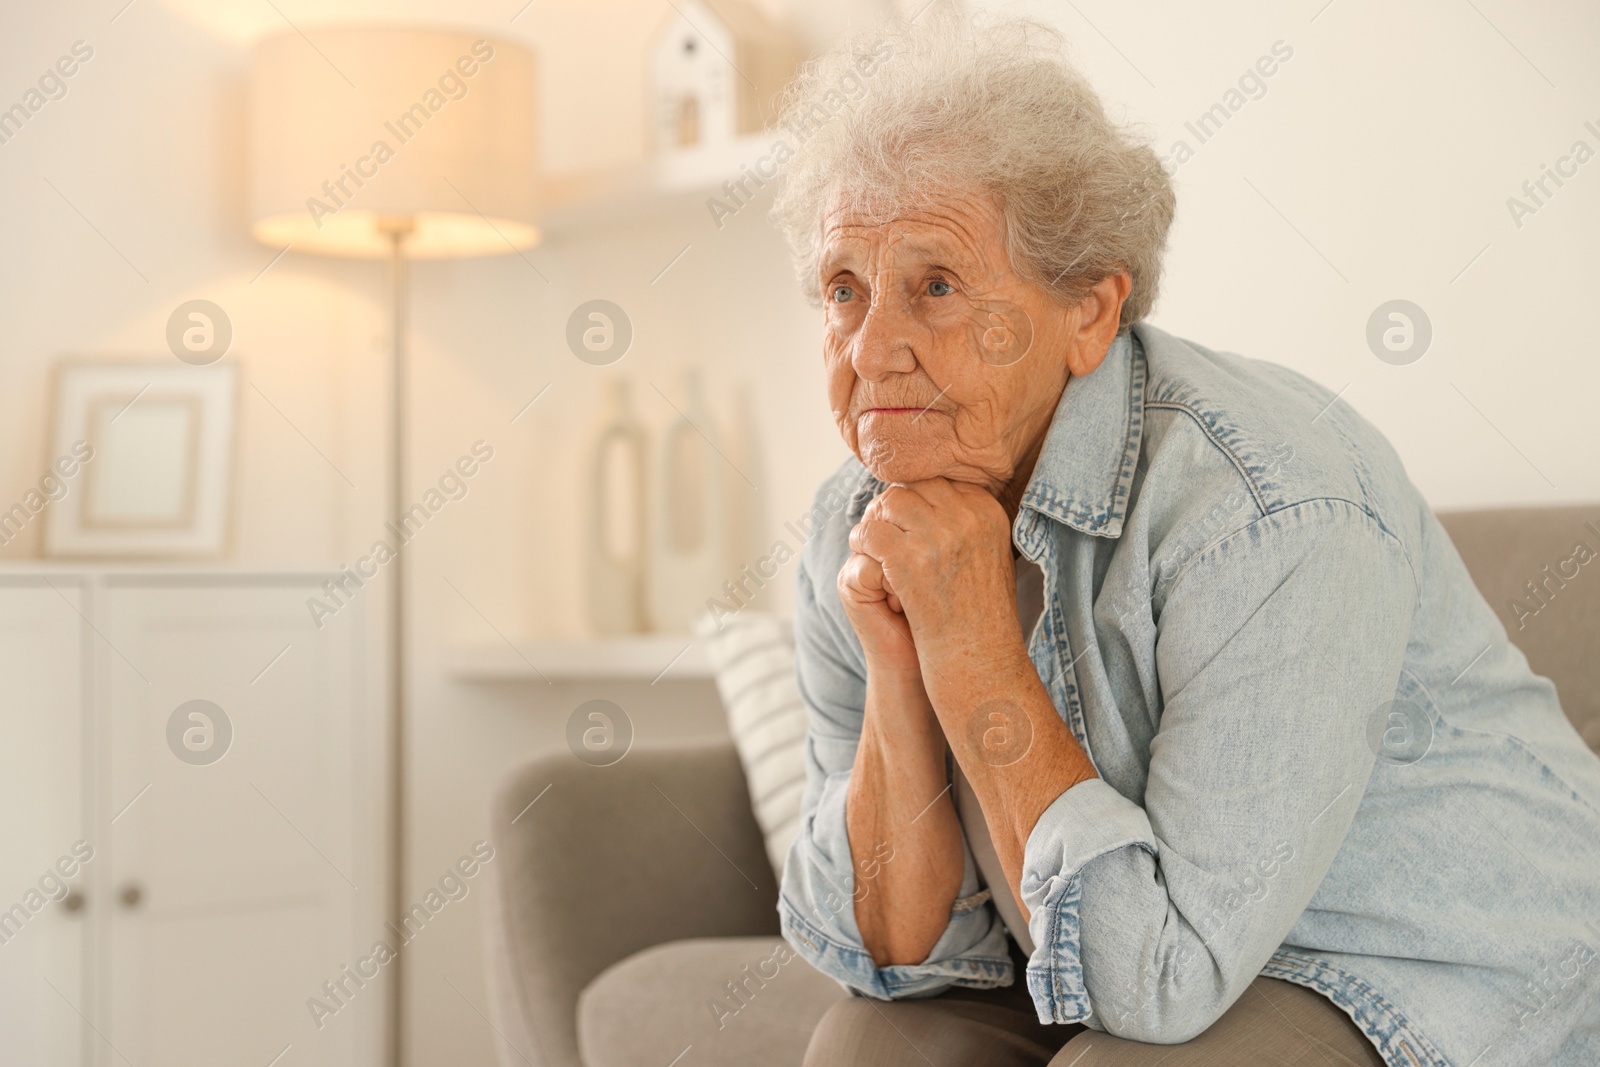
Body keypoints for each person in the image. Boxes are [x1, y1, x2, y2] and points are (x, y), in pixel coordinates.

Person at [768, 12, 1600, 1066]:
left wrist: (970, 636)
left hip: (1423, 967)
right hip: (1125, 948)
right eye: (844, 288)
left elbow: (1157, 981)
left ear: (1089, 312)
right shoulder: (858, 517)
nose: (871, 347)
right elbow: (885, 943)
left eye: (935, 286)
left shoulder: (1267, 505)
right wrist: (900, 656)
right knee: (867, 1045)